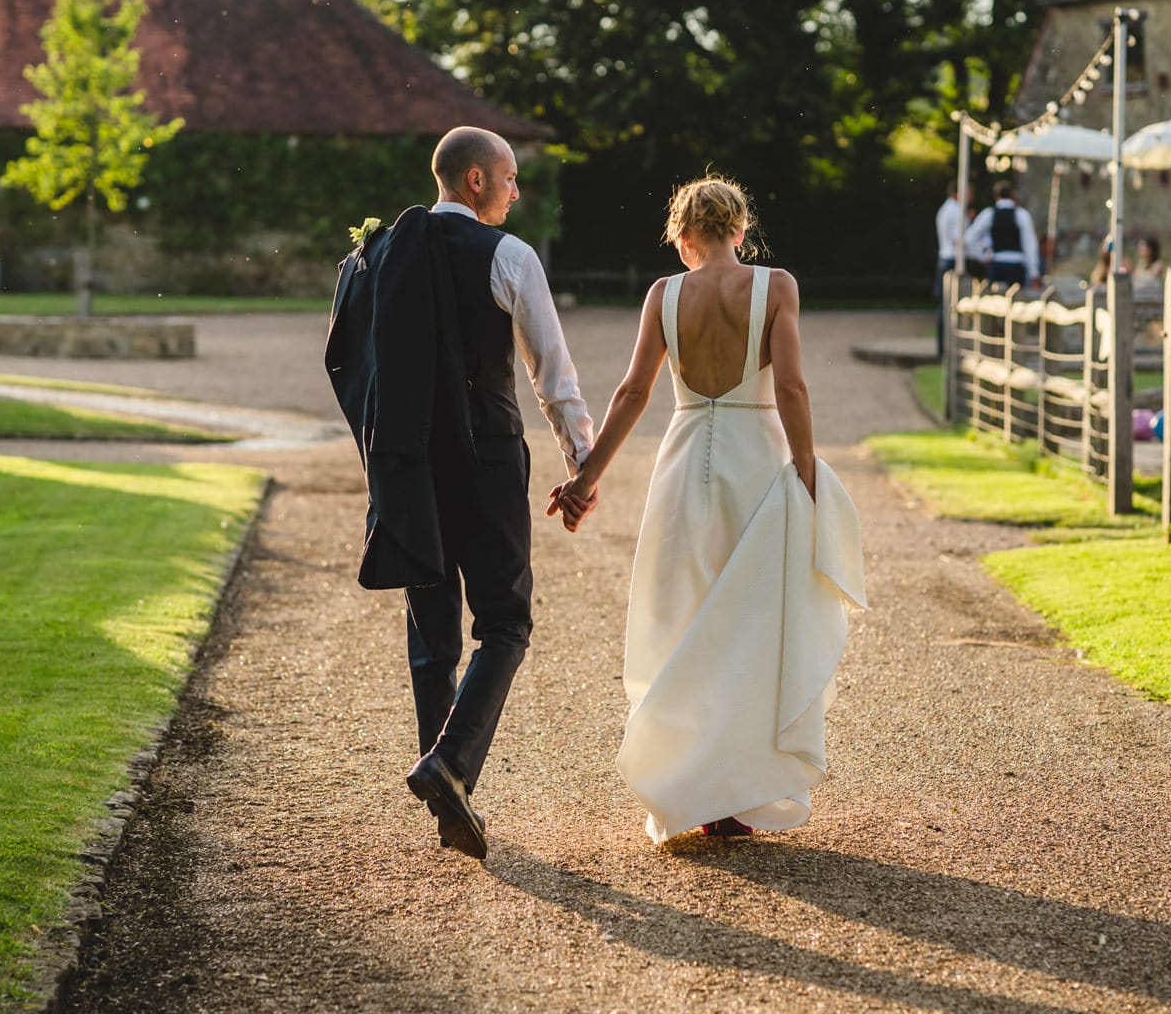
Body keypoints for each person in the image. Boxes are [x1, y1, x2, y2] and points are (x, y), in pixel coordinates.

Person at [550, 176, 866, 844]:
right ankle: (736, 790)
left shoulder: (664, 294)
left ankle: (697, 784)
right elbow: (791, 385)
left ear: (683, 237)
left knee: (688, 620)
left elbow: (633, 393)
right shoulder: (777, 286)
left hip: (686, 462)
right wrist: (806, 472)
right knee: (750, 623)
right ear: (740, 230)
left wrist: (585, 477)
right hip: (756, 462)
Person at [325, 125, 596, 861]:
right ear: (475, 181)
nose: (517, 191)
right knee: (506, 622)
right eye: (509, 178)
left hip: (408, 462)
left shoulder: (378, 255)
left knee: (432, 634)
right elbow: (552, 374)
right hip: (487, 456)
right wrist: (583, 463)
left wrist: (379, 454)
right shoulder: (508, 255)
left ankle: (448, 793)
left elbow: (348, 357)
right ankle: (449, 766)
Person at [963, 181, 1042, 288]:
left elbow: (969, 238)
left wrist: (982, 256)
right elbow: (1030, 245)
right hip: (1016, 266)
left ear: (995, 196)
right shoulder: (1022, 215)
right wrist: (1034, 272)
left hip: (997, 265)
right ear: (1012, 195)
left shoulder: (989, 214)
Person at [933, 184, 969, 354]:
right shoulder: (955, 211)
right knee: (950, 304)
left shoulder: (946, 209)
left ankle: (942, 347)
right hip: (952, 259)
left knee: (944, 304)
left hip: (944, 257)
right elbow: (958, 240)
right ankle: (949, 348)